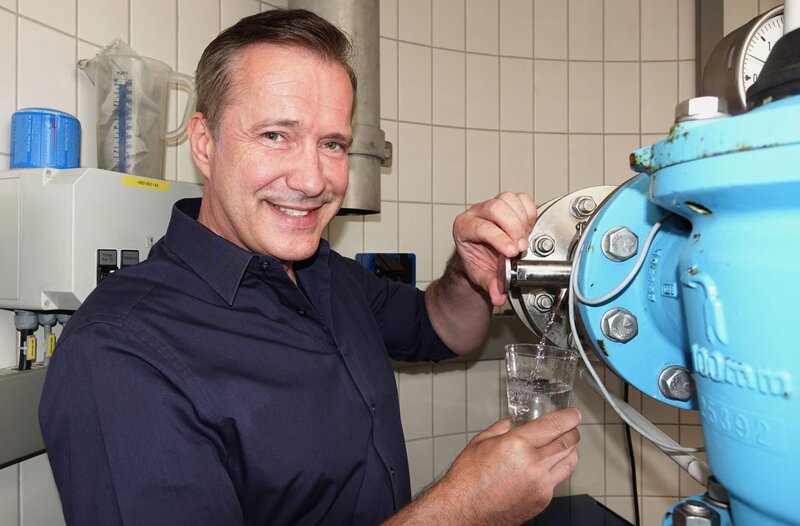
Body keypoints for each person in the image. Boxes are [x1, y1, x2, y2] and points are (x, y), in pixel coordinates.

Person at [39, 8, 580, 525]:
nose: (313, 179)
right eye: (276, 135)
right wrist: (459, 512)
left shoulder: (326, 272)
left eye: (332, 143)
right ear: (205, 142)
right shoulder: (119, 351)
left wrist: (466, 270)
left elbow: (440, 329)